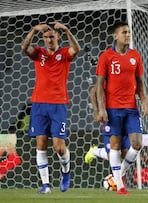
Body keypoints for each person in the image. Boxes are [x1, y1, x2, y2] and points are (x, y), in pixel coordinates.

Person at [21, 21, 80, 194]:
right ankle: (46, 185)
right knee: (41, 143)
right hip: (39, 104)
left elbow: (76, 48)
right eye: (46, 37)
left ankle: (66, 173)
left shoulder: (64, 54)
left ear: (58, 37)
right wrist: (32, 30)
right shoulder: (38, 54)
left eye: (52, 36)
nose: (49, 40)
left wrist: (68, 30)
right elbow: (24, 47)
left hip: (58, 105)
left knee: (59, 147)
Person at [95, 21, 148, 195]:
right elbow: (98, 85)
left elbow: (140, 82)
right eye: (124, 32)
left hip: (131, 108)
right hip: (112, 109)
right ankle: (120, 186)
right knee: (116, 147)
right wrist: (101, 109)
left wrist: (144, 100)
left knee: (137, 144)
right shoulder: (106, 57)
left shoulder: (136, 56)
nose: (128, 35)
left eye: (128, 32)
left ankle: (116, 177)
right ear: (115, 35)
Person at [85, 86, 130, 163]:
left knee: (125, 154)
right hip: (110, 119)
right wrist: (96, 112)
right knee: (112, 156)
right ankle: (95, 151)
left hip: (125, 117)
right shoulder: (109, 78)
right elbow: (93, 91)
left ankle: (119, 174)